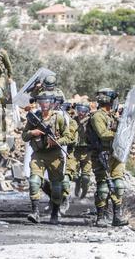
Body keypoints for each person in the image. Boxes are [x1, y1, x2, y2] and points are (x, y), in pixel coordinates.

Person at [22, 91, 70, 225]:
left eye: (47, 101)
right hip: (38, 154)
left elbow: (68, 137)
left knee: (56, 187)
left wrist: (56, 141)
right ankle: (35, 212)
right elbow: (24, 136)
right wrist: (33, 132)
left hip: (55, 155)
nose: (44, 105)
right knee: (34, 181)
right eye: (42, 102)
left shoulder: (59, 118)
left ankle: (55, 212)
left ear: (52, 103)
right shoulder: (34, 117)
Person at [89, 88, 129, 227]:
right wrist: (119, 134)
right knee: (103, 187)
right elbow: (103, 134)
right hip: (102, 155)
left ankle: (117, 217)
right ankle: (100, 217)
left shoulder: (111, 116)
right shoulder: (97, 116)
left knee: (118, 185)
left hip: (115, 154)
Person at [73, 102, 92, 199]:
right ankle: (77, 184)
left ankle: (84, 190)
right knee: (75, 176)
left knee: (85, 177)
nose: (81, 113)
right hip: (75, 151)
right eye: (79, 110)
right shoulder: (73, 121)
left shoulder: (90, 121)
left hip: (87, 151)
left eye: (84, 110)